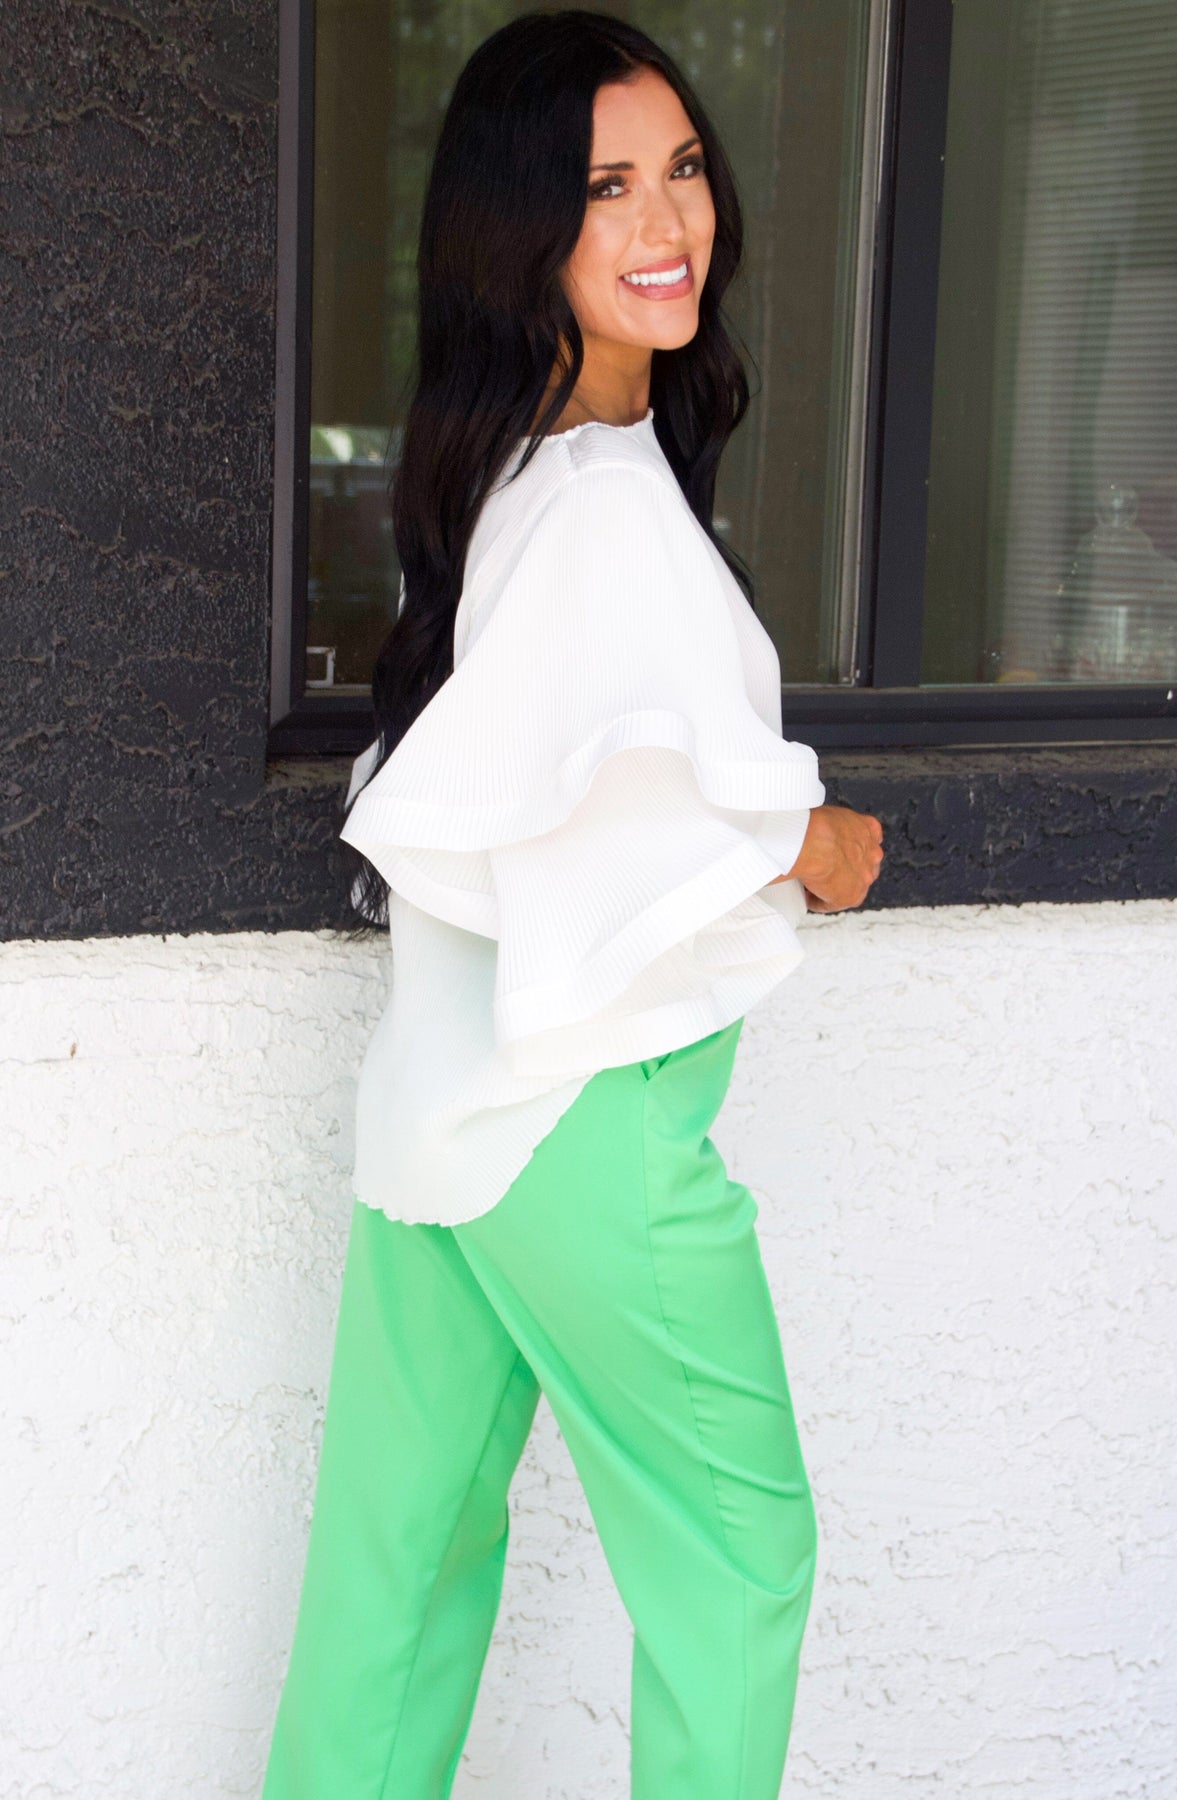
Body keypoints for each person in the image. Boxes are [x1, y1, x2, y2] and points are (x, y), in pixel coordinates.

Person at [261, 11, 883, 1798]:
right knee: (740, 1558)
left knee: (391, 1592)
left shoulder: (511, 473)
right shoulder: (603, 501)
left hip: (439, 1117)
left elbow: (539, 768)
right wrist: (809, 837)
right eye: (607, 186)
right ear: (520, 228)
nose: (666, 219)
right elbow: (622, 788)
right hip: (580, 1122)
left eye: (681, 167)